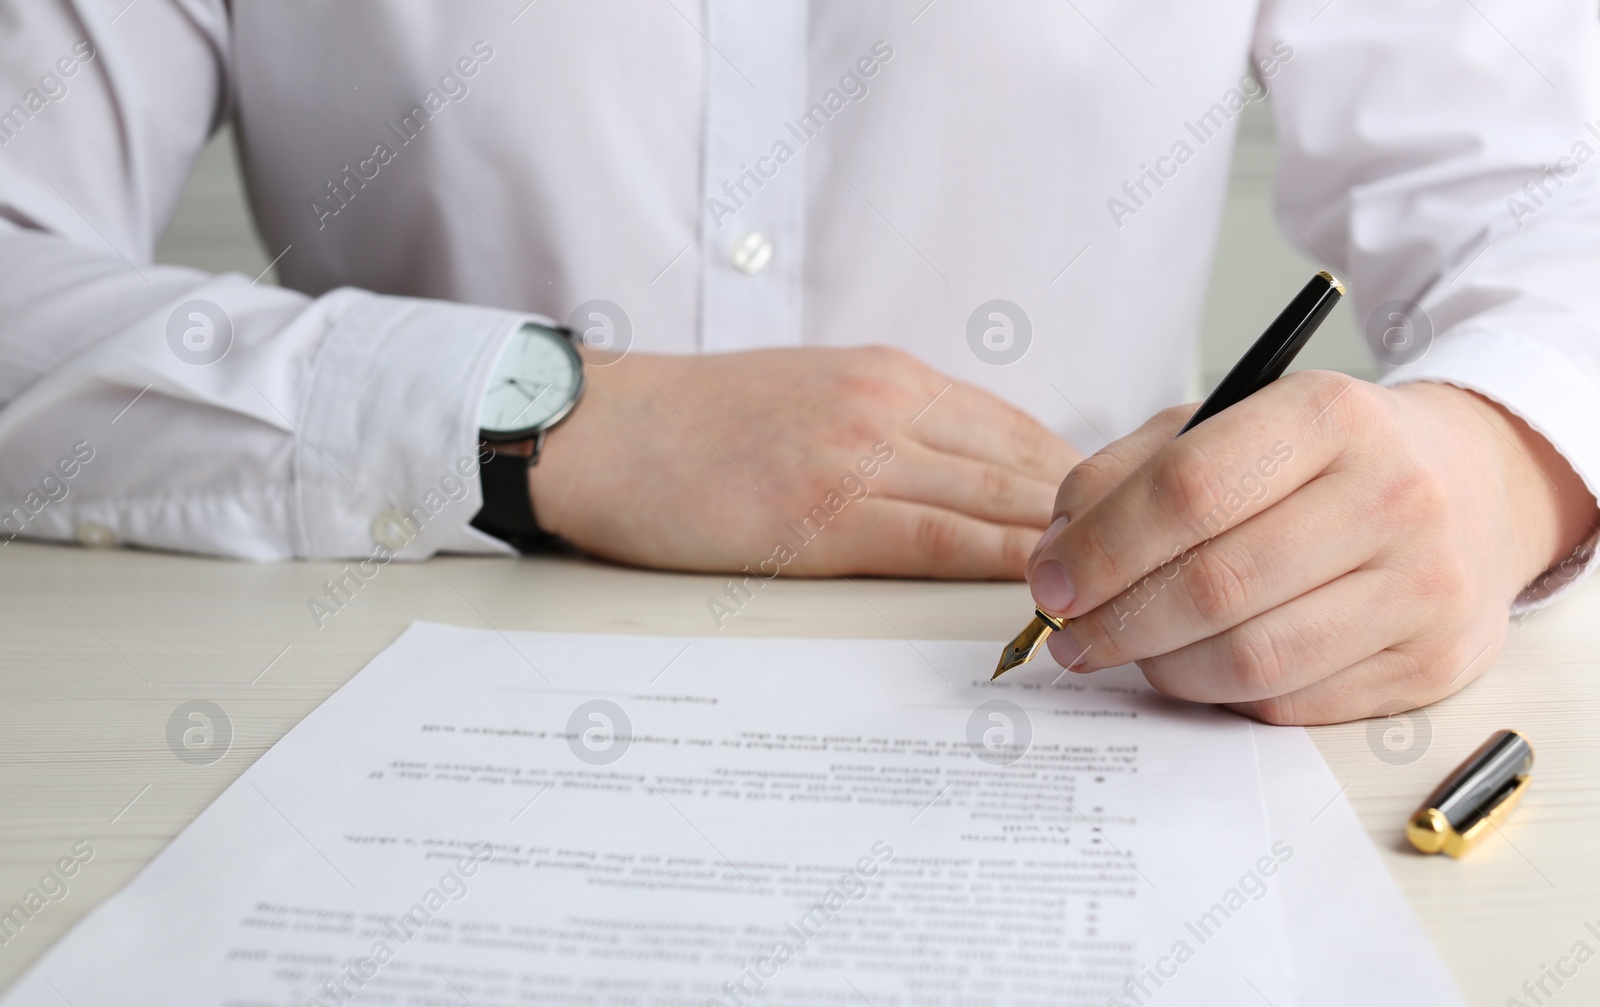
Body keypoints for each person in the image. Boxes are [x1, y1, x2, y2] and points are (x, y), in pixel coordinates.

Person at [0, 2, 1595, 726]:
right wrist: (538, 420)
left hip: (1119, 679)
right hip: (320, 692)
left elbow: (1554, 206)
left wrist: (1491, 460)